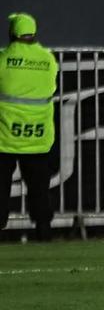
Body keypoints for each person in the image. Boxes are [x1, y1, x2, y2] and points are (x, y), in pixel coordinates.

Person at [0, 13, 58, 241]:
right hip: (38, 137)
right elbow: (50, 86)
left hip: (5, 136)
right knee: (39, 189)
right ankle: (43, 232)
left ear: (11, 33)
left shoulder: (3, 60)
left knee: (0, 187)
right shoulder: (48, 60)